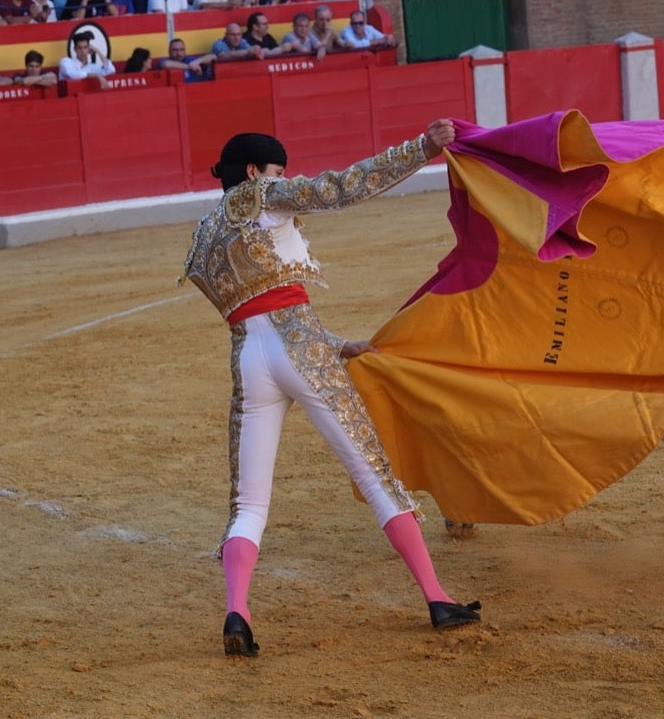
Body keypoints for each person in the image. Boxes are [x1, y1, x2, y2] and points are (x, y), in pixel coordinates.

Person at [180, 118, 482, 658]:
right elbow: (342, 187)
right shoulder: (263, 196)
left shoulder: (203, 236)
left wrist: (337, 342)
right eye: (276, 171)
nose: (282, 181)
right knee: (373, 473)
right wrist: (422, 149)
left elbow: (259, 312)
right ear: (254, 173)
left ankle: (237, 611)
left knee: (248, 501)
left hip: (249, 361)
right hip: (301, 351)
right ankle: (437, 597)